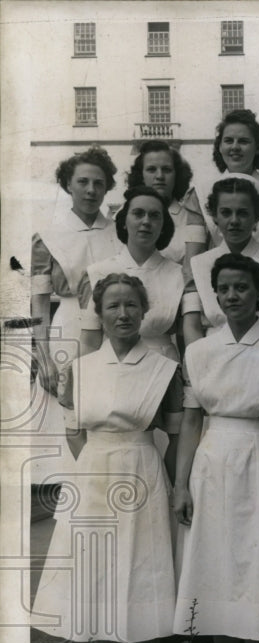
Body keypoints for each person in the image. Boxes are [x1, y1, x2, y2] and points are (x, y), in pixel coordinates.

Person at [32, 273, 181, 643]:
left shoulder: (163, 368)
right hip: (93, 474)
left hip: (143, 474)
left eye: (131, 304)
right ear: (99, 313)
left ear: (145, 310)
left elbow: (177, 435)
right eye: (113, 305)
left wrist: (169, 484)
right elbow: (74, 432)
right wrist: (95, 467)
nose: (123, 313)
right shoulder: (81, 368)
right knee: (96, 570)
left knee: (142, 570)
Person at [172, 254, 259, 643]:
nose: (232, 295)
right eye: (224, 288)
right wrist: (180, 485)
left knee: (257, 560)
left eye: (241, 287)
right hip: (212, 460)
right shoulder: (200, 350)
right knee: (218, 561)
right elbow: (190, 421)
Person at [30, 146, 122, 484]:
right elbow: (38, 302)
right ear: (68, 184)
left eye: (98, 183)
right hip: (68, 327)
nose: (90, 190)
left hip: (112, 329)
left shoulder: (117, 232)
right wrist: (43, 358)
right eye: (82, 181)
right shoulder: (47, 236)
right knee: (69, 416)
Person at [182, 177, 259, 345]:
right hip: (209, 356)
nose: (234, 221)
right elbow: (191, 326)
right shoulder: (197, 265)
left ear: (257, 217)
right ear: (215, 217)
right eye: (226, 213)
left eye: (242, 213)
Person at [78, 186, 183, 360]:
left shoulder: (178, 274)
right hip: (111, 363)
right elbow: (89, 340)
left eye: (155, 215)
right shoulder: (98, 271)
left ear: (164, 225)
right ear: (124, 222)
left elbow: (185, 336)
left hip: (164, 364)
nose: (146, 221)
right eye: (138, 213)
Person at [200, 109, 259, 251]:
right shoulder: (199, 193)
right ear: (220, 147)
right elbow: (193, 257)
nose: (235, 147)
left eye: (243, 141)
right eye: (228, 141)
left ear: (257, 148)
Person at [125, 140, 207, 268]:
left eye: (166, 170)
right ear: (141, 175)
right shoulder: (123, 217)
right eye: (151, 169)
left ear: (177, 175)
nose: (159, 176)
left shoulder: (191, 220)